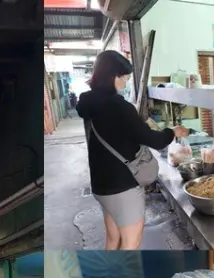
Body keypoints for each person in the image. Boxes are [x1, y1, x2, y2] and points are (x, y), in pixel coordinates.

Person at [76, 50, 190, 250]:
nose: (126, 82)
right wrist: (172, 132)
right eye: (125, 77)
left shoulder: (88, 103)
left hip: (101, 183)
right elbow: (153, 140)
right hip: (123, 186)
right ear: (114, 76)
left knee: (113, 240)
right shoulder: (119, 107)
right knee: (130, 243)